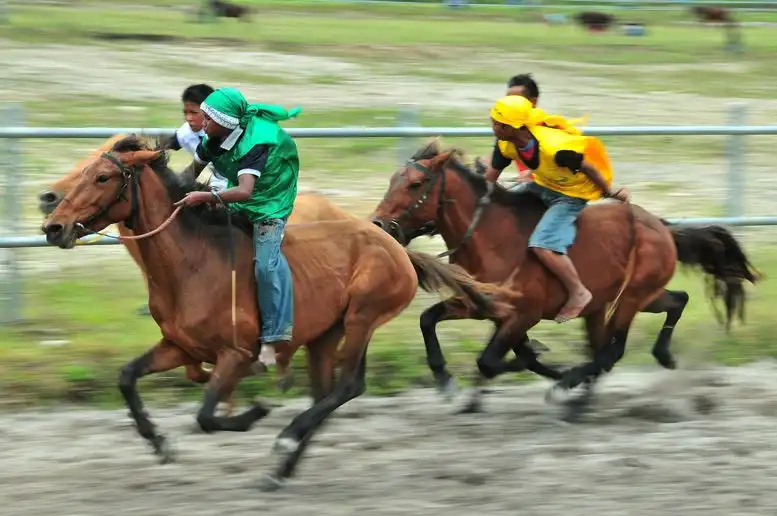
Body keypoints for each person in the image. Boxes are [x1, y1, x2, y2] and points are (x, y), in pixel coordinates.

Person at [174, 87, 302, 368]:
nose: (201, 123)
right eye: (201, 116)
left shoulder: (255, 144)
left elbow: (244, 192)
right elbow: (188, 176)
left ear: (227, 122)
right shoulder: (212, 138)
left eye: (207, 118)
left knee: (264, 267)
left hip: (272, 198)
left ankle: (272, 338)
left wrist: (205, 196)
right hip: (242, 192)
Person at [488, 95, 631, 323]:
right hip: (542, 186)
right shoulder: (506, 145)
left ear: (511, 127)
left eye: (496, 123)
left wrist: (610, 192)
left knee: (542, 244)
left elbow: (589, 168)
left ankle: (579, 292)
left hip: (571, 195)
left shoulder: (555, 148)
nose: (492, 126)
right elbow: (489, 181)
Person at [160, 83, 229, 192]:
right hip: (218, 186)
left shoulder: (226, 131)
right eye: (185, 112)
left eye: (194, 113)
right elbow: (165, 144)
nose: (188, 118)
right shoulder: (184, 133)